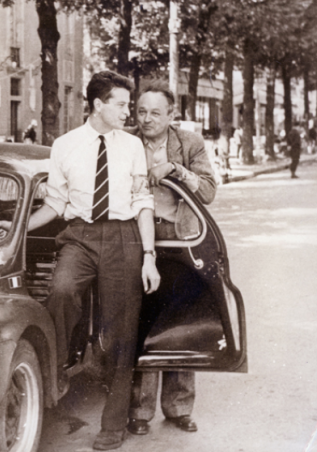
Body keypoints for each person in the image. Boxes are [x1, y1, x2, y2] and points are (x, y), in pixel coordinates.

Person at [0, 71, 160, 451]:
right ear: (98, 105)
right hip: (80, 235)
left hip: (123, 237)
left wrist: (148, 256)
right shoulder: (64, 145)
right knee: (61, 290)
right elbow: (55, 204)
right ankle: (59, 369)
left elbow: (143, 202)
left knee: (122, 329)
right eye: (120, 104)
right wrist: (18, 227)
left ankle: (112, 425)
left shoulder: (132, 146)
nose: (126, 111)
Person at [127, 80, 218, 437]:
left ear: (171, 115)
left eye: (155, 112)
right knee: (144, 322)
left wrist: (175, 170)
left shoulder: (190, 144)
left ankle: (179, 408)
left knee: (181, 321)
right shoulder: (127, 142)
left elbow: (209, 192)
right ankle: (139, 410)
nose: (146, 119)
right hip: (140, 239)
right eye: (141, 111)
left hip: (181, 240)